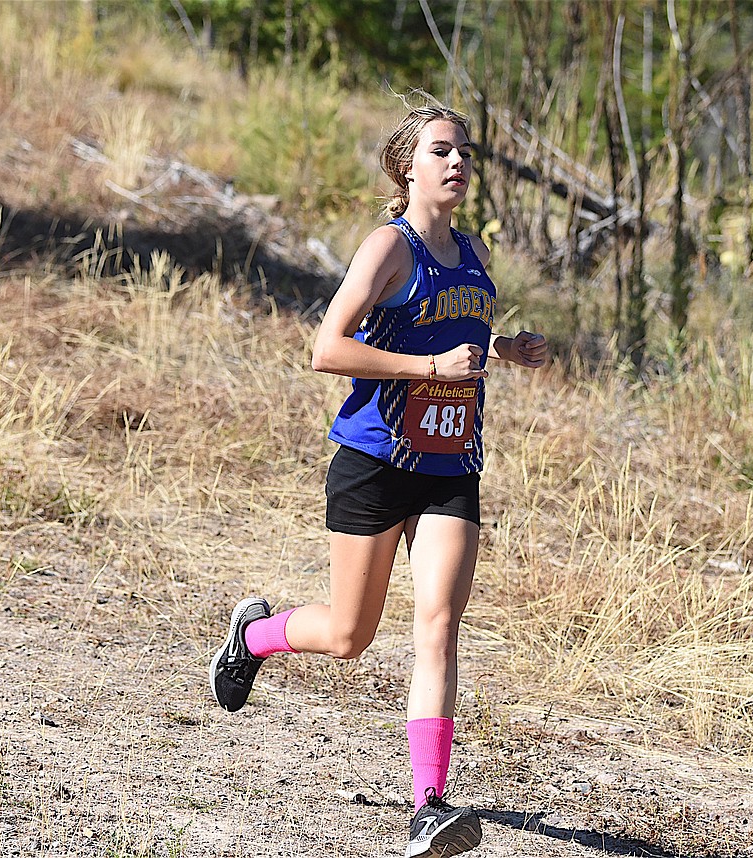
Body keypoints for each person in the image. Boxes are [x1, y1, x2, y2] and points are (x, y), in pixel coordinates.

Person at [209, 99, 547, 858]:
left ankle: (429, 805)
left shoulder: (473, 253)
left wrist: (505, 352)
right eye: (441, 152)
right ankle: (253, 637)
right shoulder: (388, 249)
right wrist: (429, 367)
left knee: (439, 627)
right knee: (349, 634)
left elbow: (456, 339)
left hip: (449, 465)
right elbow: (326, 348)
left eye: (464, 152)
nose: (458, 163)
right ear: (407, 168)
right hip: (373, 461)